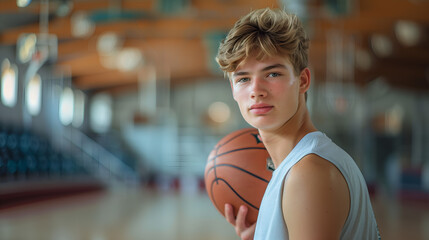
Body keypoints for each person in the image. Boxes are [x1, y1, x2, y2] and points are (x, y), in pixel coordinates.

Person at [215, 8, 380, 240]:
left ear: (303, 81)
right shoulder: (304, 163)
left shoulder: (308, 173)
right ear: (233, 89)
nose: (256, 91)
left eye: (272, 74)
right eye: (243, 78)